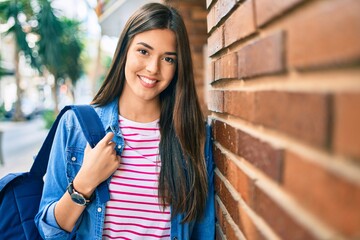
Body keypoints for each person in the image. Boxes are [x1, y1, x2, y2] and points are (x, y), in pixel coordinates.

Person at [35, 2, 215, 239]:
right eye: (143, 51)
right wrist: (84, 183)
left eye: (168, 59)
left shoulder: (194, 136)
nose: (153, 68)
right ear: (124, 51)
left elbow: (203, 231)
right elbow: (49, 231)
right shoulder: (75, 125)